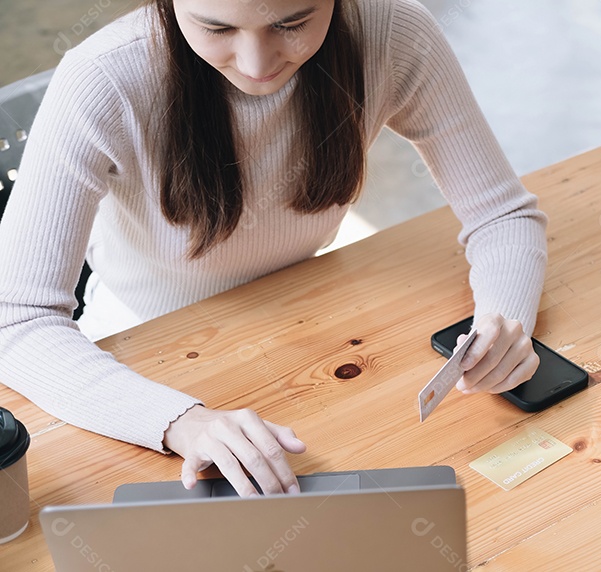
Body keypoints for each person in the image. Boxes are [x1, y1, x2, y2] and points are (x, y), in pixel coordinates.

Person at [0, 0, 547, 497]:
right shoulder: (102, 80)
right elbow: (16, 322)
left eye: (293, 22)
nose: (257, 63)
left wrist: (503, 321)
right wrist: (179, 422)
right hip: (138, 349)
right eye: (216, 27)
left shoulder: (394, 33)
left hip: (307, 325)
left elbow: (502, 213)